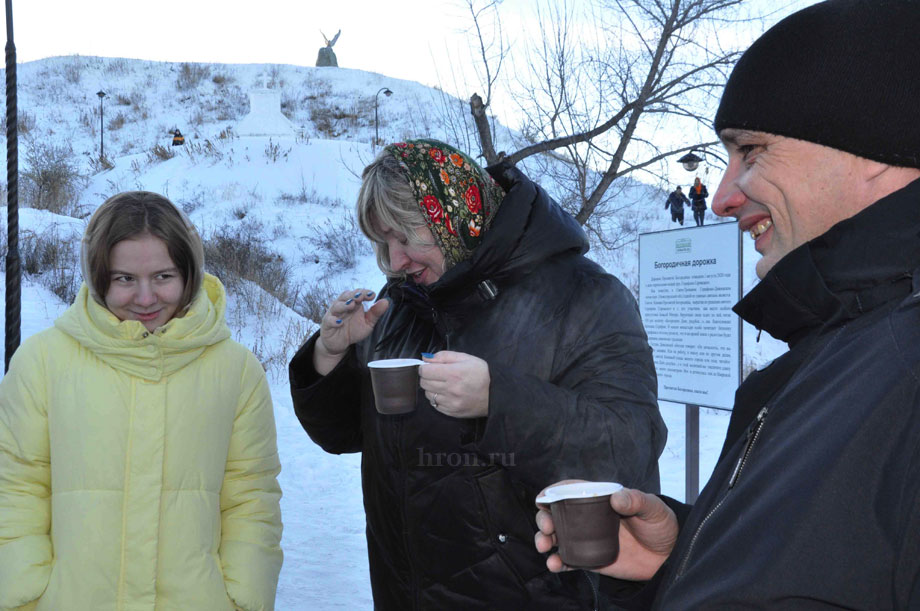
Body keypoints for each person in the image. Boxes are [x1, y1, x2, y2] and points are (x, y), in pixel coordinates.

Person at [535, 0, 920, 608]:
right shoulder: (844, 345)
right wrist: (685, 558)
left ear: (874, 147)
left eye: (753, 151)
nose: (720, 198)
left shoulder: (903, 367)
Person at [289, 139, 666, 609]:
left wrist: (499, 400)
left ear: (454, 215)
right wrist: (329, 354)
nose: (396, 260)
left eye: (405, 235)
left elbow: (632, 446)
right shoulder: (402, 304)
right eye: (384, 241)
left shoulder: (584, 296)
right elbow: (342, 432)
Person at [0, 192, 283, 610]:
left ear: (189, 273)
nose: (146, 298)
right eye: (124, 279)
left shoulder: (236, 371)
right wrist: (25, 597)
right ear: (98, 277)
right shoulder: (42, 363)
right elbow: (17, 491)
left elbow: (251, 499)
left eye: (164, 277)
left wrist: (242, 599)